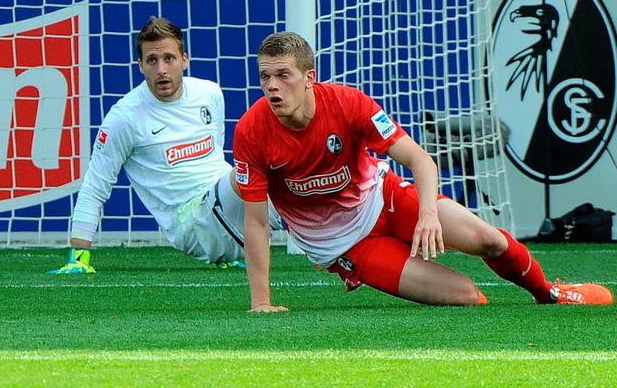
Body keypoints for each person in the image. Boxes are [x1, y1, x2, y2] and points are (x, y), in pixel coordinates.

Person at [232, 31, 614, 312]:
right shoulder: (251, 130)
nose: (272, 86)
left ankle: (549, 292)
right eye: (265, 76)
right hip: (346, 245)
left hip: (385, 198)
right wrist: (261, 301)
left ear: (310, 77)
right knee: (464, 296)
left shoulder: (349, 104)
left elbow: (420, 160)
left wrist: (428, 215)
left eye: (283, 75)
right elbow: (257, 223)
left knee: (489, 240)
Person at [49, 17, 281, 274]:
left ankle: (321, 241)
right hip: (190, 225)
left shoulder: (210, 93)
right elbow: (95, 186)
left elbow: (214, 155)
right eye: (152, 60)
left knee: (292, 169)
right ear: (140, 66)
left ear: (185, 60)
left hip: (230, 214)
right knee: (249, 173)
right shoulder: (124, 117)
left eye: (169, 58)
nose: (161, 69)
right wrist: (79, 257)